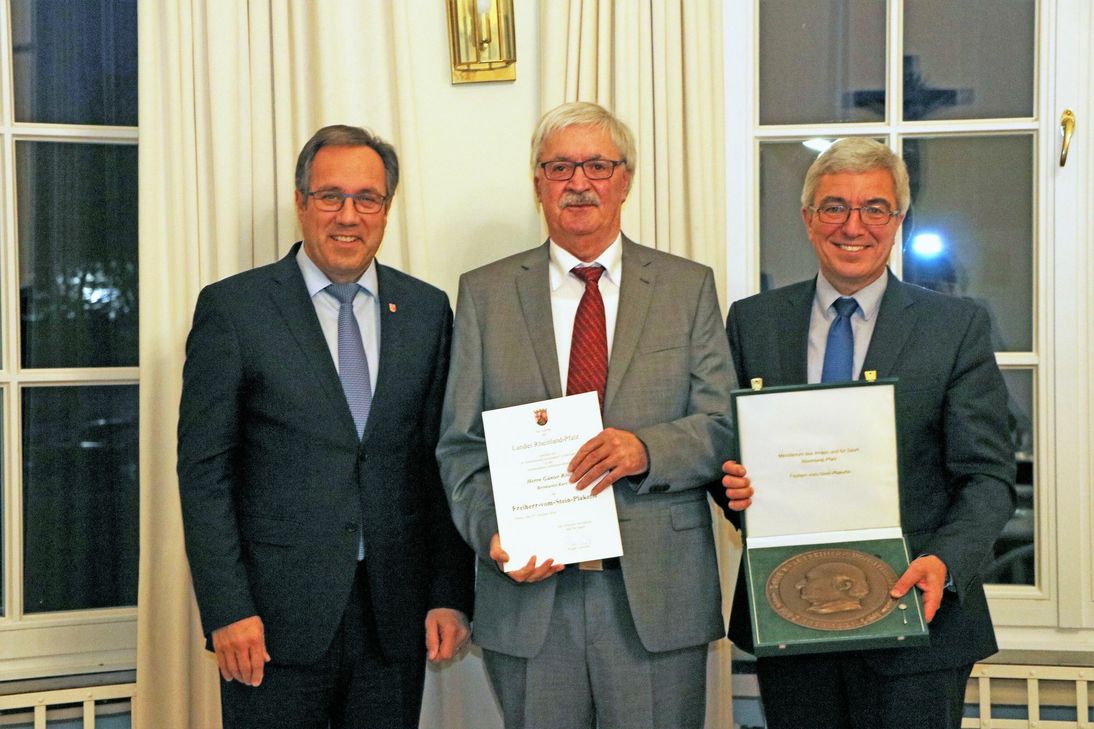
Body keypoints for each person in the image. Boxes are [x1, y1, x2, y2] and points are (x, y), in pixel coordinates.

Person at [436, 101, 735, 729]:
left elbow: (722, 425)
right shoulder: (485, 294)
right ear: (538, 183)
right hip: (531, 597)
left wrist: (645, 450)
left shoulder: (688, 287)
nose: (579, 182)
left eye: (597, 165)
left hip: (656, 597)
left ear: (625, 179)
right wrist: (493, 534)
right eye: (560, 167)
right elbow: (460, 446)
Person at [177, 125, 474, 729]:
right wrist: (227, 609)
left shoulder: (425, 310)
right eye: (330, 196)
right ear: (300, 202)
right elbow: (204, 473)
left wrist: (449, 592)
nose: (348, 215)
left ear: (387, 209)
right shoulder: (235, 309)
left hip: (394, 620)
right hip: (270, 626)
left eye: (367, 198)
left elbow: (437, 463)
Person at [720, 137, 1016, 729]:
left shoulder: (955, 326)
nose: (853, 225)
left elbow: (987, 478)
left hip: (918, 625)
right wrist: (732, 489)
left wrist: (945, 561)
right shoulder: (752, 321)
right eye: (834, 207)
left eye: (874, 208)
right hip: (792, 621)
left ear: (898, 222)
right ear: (808, 219)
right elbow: (727, 453)